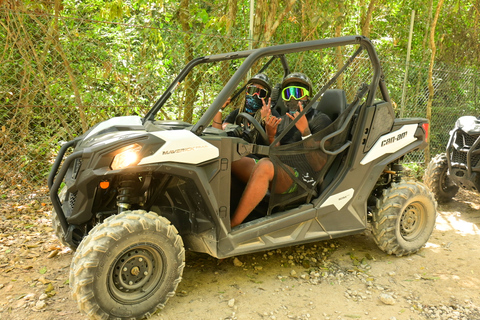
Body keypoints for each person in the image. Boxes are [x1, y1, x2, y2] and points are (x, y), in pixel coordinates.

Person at [230, 72, 332, 228]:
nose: (292, 97)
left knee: (265, 165)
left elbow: (319, 165)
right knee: (230, 158)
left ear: (307, 96)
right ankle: (220, 214)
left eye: (297, 92)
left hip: (303, 180)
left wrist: (305, 132)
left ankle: (232, 226)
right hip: (282, 170)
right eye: (288, 93)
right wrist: (271, 135)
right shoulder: (283, 120)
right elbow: (277, 154)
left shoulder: (319, 119)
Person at [212, 73, 281, 184]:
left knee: (225, 160)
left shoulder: (272, 116)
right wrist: (219, 109)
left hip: (258, 162)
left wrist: (268, 128)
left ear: (267, 97)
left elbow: (277, 151)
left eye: (260, 93)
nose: (254, 95)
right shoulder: (238, 113)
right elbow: (216, 134)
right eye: (252, 90)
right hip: (234, 156)